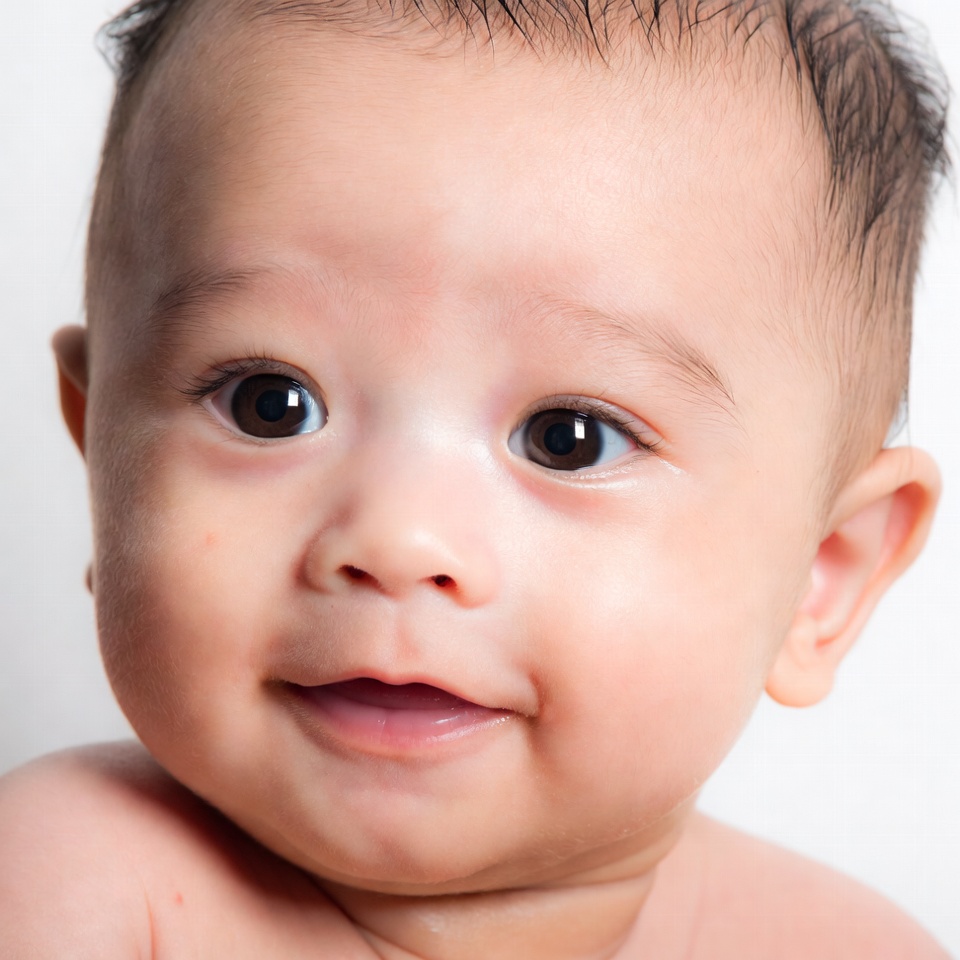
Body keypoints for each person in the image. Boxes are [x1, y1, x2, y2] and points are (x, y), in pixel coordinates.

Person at [0, 0, 951, 955]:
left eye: (568, 440)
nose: (399, 540)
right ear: (102, 469)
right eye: (269, 403)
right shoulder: (72, 890)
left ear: (821, 574)